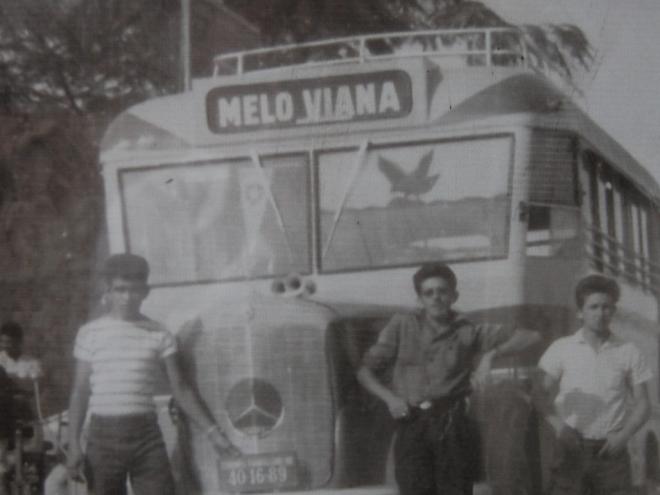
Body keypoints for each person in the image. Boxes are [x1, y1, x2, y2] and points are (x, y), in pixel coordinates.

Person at [357, 262, 541, 495]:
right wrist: (390, 399)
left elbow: (531, 336)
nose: (436, 298)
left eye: (442, 291)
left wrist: (491, 355)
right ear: (419, 299)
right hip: (412, 424)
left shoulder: (467, 330)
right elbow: (364, 372)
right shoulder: (401, 325)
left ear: (454, 296)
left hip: (453, 426)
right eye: (428, 293)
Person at [66, 253, 241, 495]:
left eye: (135, 290)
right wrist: (74, 444)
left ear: (146, 292)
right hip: (102, 438)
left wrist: (214, 434)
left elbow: (181, 389)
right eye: (120, 290)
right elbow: (80, 391)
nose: (127, 298)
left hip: (146, 438)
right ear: (108, 290)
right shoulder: (90, 333)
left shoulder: (159, 333)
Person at [536, 274, 652, 495]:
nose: (600, 313)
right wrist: (559, 427)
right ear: (580, 312)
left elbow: (643, 405)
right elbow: (539, 393)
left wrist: (623, 436)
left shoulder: (628, 351)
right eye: (593, 307)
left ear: (613, 311)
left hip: (611, 454)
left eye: (606, 307)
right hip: (571, 450)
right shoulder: (562, 348)